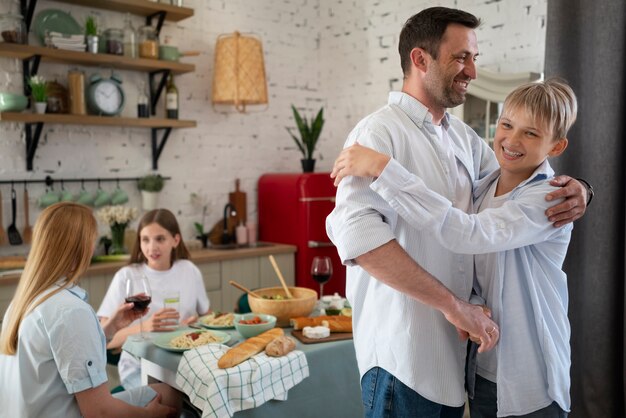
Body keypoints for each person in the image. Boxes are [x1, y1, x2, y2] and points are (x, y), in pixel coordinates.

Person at [325, 7, 588, 418]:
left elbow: (506, 196)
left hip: (458, 361)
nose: (472, 71)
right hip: (404, 357)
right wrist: (453, 305)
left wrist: (584, 190)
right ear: (420, 59)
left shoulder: (465, 139)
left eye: (474, 58)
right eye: (461, 57)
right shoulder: (377, 134)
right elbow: (358, 237)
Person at [0, 202, 180, 418]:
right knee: (173, 397)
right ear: (81, 247)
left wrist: (111, 327)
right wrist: (150, 416)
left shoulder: (26, 300)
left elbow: (65, 351)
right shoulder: (70, 310)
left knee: (167, 393)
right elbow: (100, 412)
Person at [98, 208, 210, 389]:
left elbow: (207, 317)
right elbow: (104, 341)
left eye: (160, 239)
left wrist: (195, 325)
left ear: (176, 240)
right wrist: (147, 327)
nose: (152, 247)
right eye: (145, 240)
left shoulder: (189, 270)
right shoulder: (126, 276)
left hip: (186, 362)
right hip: (142, 368)